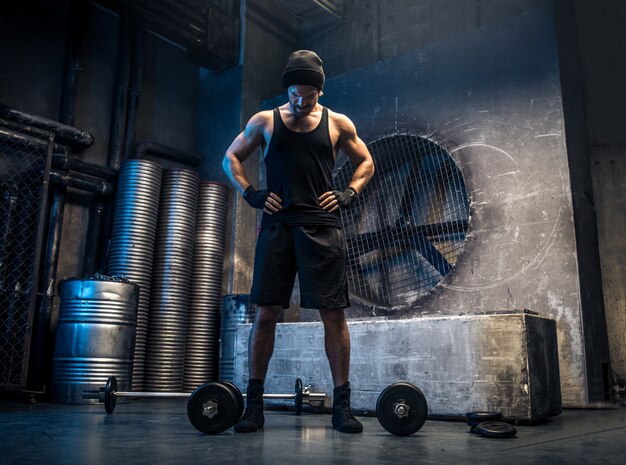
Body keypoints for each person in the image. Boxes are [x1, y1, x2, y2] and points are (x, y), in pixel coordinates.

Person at [222, 50, 375, 433]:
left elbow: (366, 162)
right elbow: (230, 158)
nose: (301, 100)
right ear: (286, 88)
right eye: (295, 92)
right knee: (266, 313)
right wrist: (251, 194)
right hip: (277, 227)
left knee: (333, 315)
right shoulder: (265, 121)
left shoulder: (338, 123)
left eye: (309, 93)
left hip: (323, 227)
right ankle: (253, 406)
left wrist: (349, 193)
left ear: (319, 91)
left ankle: (342, 407)